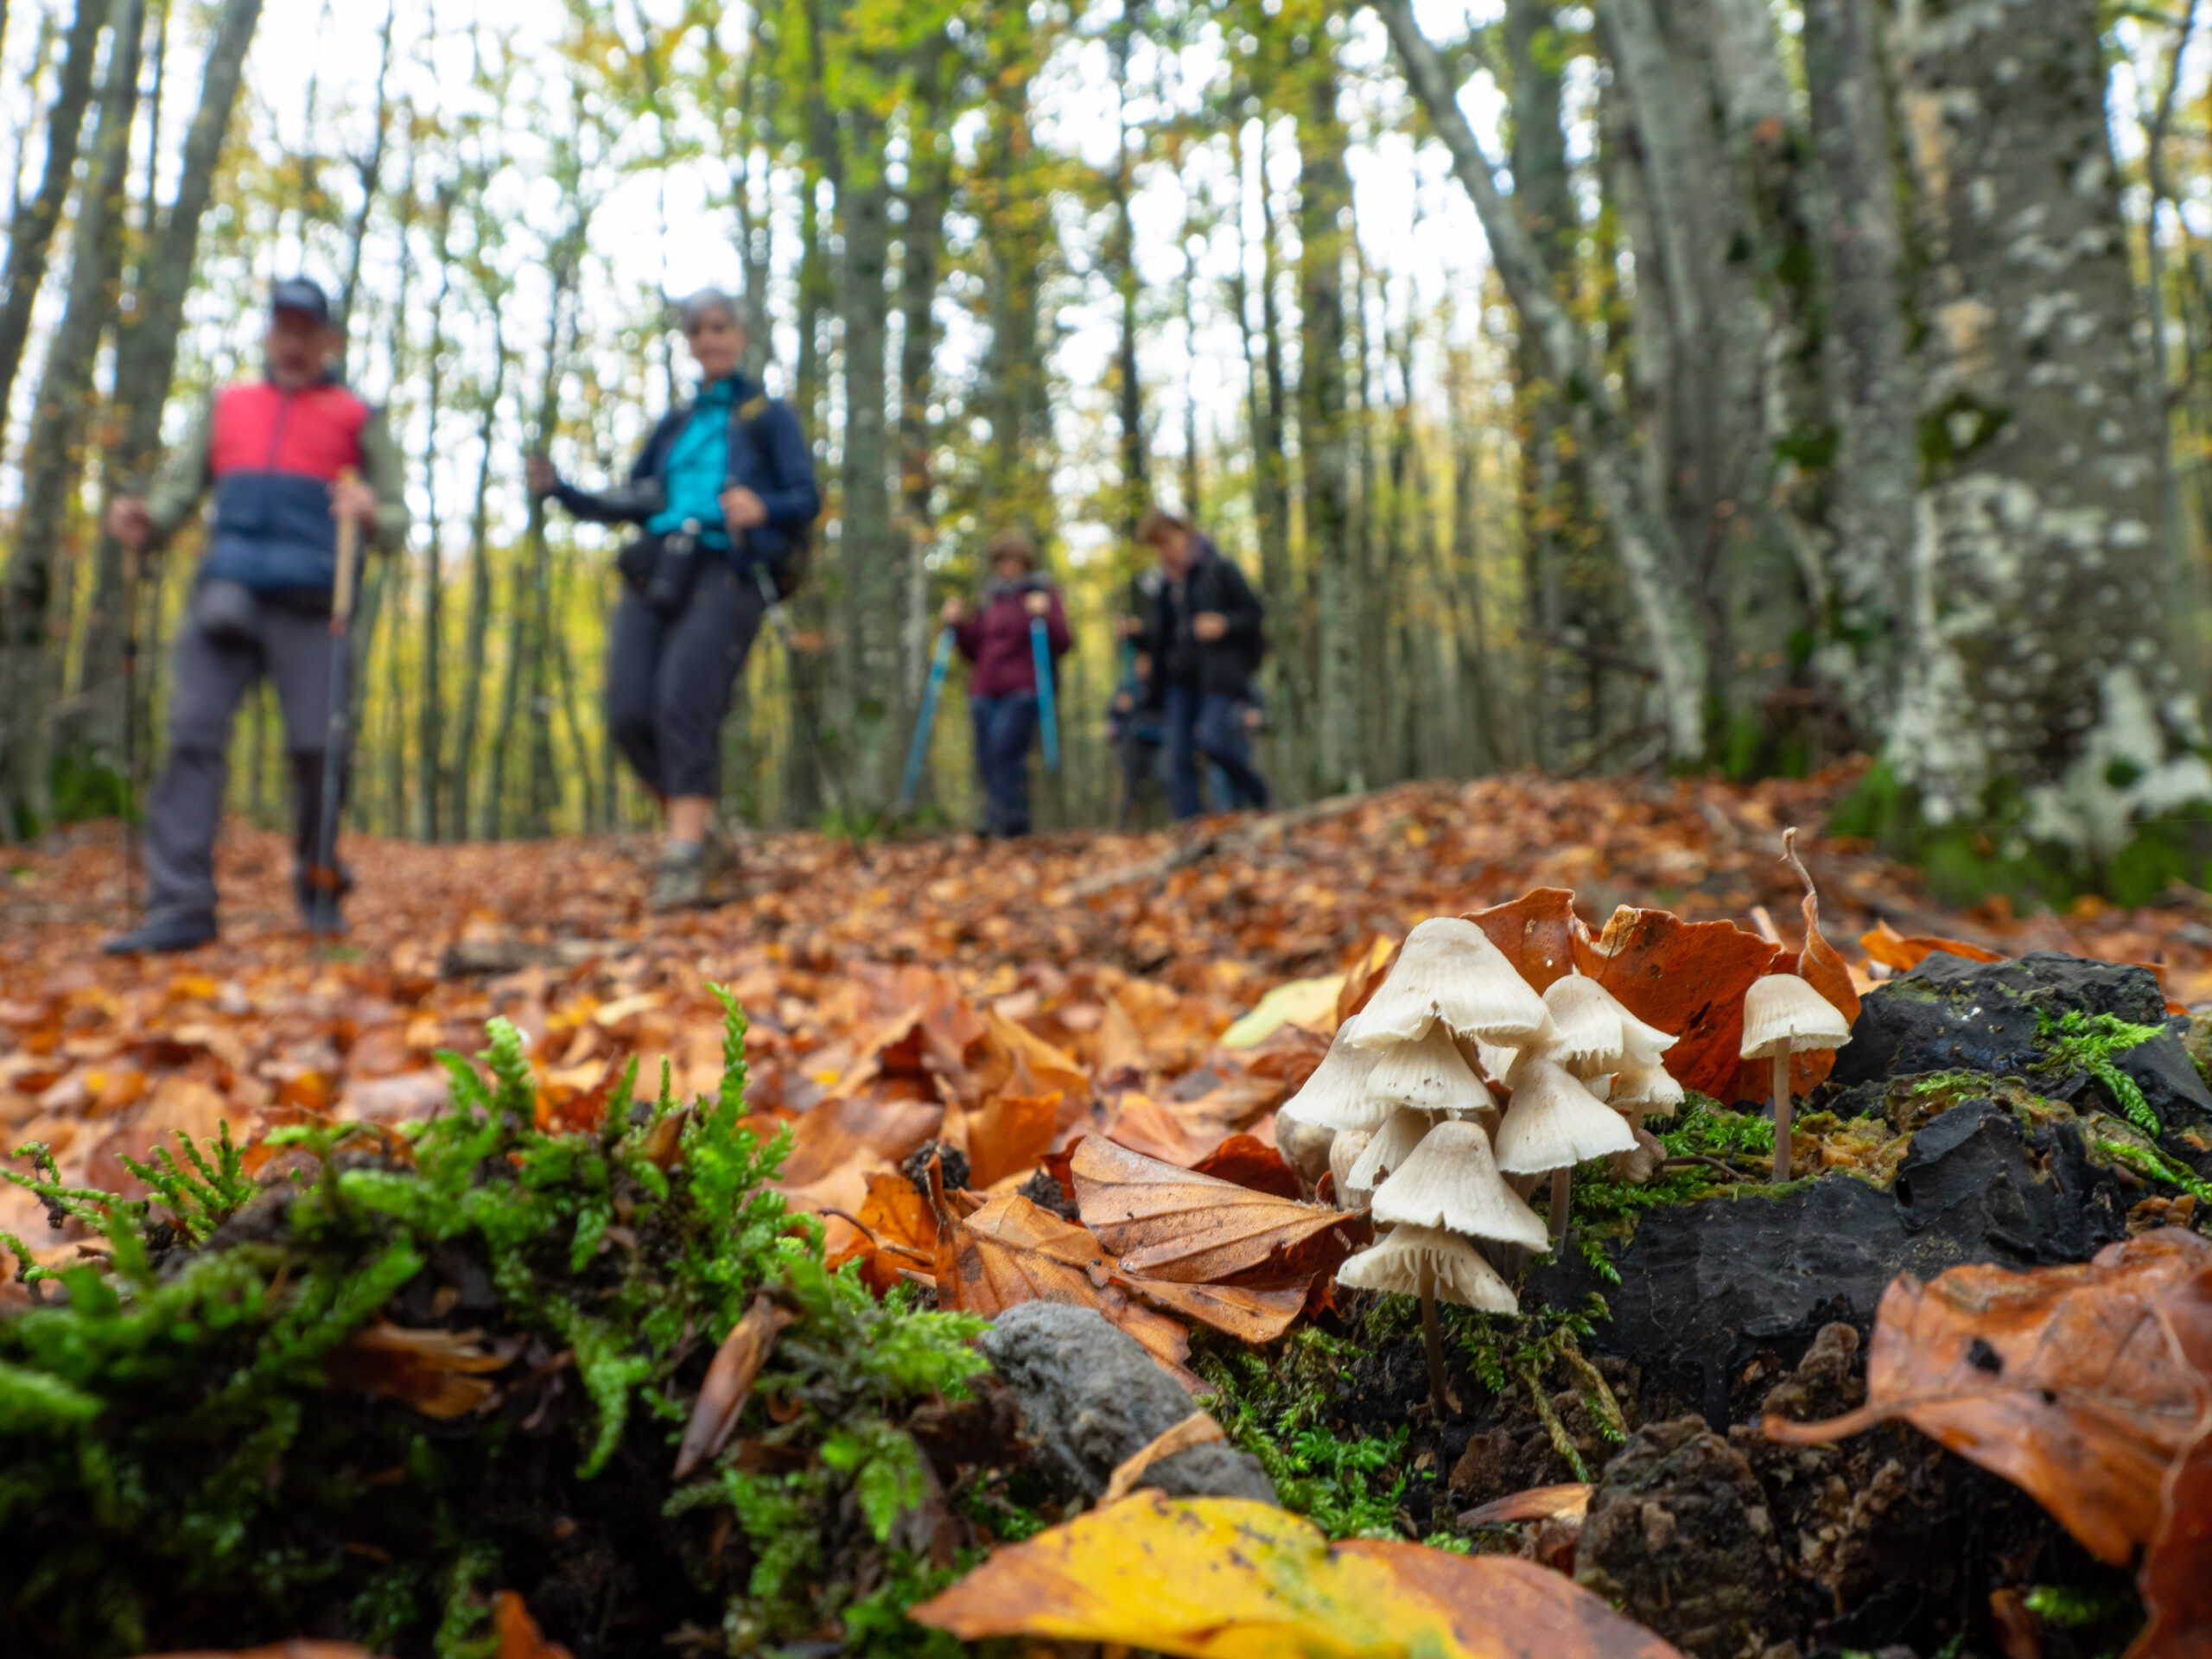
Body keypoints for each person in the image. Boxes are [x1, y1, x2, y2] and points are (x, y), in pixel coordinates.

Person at [102, 278, 410, 954]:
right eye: (284, 328)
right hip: (226, 597)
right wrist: (145, 520)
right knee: (192, 739)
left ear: (328, 339)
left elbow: (396, 516)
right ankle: (180, 905)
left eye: (308, 331)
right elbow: (179, 492)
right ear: (269, 333)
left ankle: (318, 882)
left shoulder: (356, 415)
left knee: (318, 747)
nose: (294, 342)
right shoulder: (229, 406)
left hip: (314, 605)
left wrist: (370, 513)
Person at [527, 289, 819, 911]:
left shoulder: (766, 415)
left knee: (684, 701)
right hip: (658, 569)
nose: (708, 340)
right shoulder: (675, 424)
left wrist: (763, 507)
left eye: (718, 327)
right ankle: (699, 832)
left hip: (729, 568)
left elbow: (806, 497)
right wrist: (564, 493)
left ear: (739, 334)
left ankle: (683, 857)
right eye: (696, 331)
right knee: (629, 711)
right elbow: (633, 498)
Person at [1135, 506, 1270, 819]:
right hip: (1179, 678)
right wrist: (1139, 637)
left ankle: (1257, 792)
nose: (1164, 552)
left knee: (1212, 741)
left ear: (1184, 532)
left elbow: (1253, 614)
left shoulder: (1219, 568)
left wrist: (1224, 624)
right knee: (1178, 756)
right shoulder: (1166, 586)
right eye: (1157, 546)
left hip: (1218, 675)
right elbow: (1162, 636)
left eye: (1167, 541)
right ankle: (1191, 827)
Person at [942, 527, 1071, 838]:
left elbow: (1063, 641)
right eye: (1001, 561)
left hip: (1025, 686)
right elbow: (972, 650)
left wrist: (1044, 614)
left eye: (1013, 560)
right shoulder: (989, 596)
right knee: (988, 758)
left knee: (1005, 750)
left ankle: (1006, 819)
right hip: (985, 688)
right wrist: (957, 624)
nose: (1007, 567)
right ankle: (1005, 818)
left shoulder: (1041, 591)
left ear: (1025, 562)